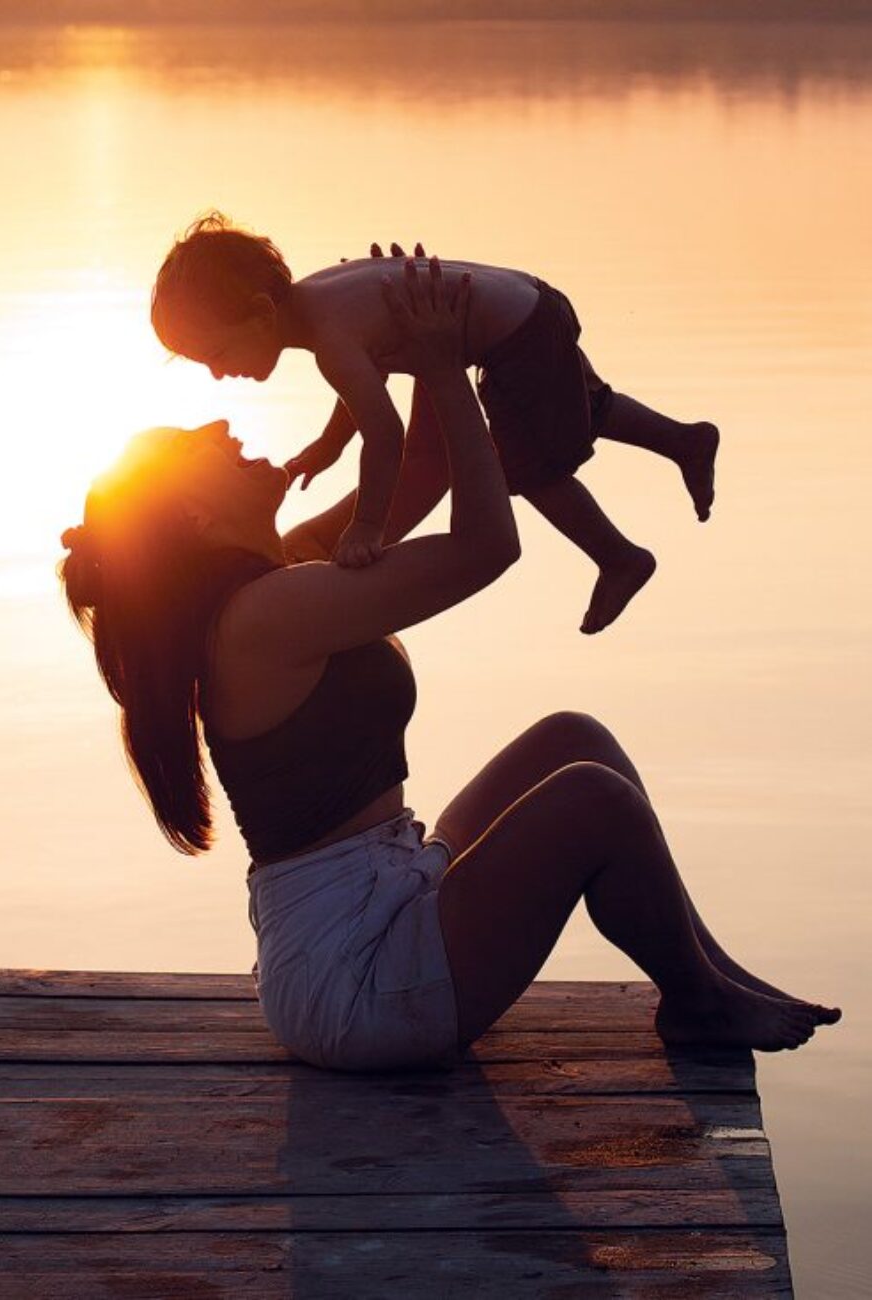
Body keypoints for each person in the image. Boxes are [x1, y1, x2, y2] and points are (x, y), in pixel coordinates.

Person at [64, 257, 837, 1072]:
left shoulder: (286, 578)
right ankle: (701, 1004)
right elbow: (486, 546)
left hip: (382, 900)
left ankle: (709, 975)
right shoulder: (267, 616)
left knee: (574, 740)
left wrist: (429, 342)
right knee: (590, 801)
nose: (221, 427)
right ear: (191, 513)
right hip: (352, 980)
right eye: (196, 444)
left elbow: (427, 473)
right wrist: (438, 368)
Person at [150, 214, 720, 634]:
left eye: (216, 355)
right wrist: (327, 446)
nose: (219, 376)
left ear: (261, 313)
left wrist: (367, 528)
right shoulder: (326, 297)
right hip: (532, 303)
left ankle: (618, 555)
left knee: (528, 470)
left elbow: (386, 433)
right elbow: (366, 388)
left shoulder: (330, 345)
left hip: (511, 340)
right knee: (586, 407)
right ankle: (684, 440)